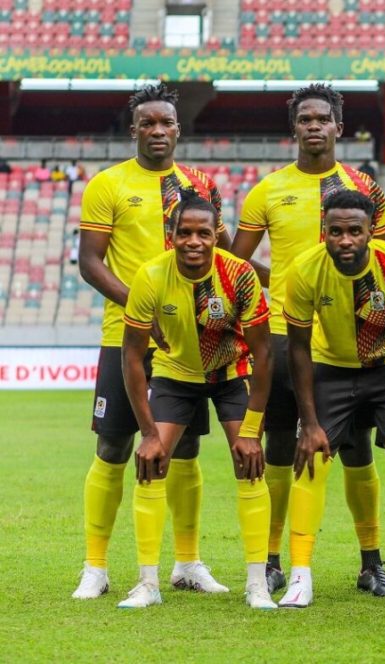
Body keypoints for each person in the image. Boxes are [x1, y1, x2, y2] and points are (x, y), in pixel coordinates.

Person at [231, 83, 385, 595]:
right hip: (282, 335)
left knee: (356, 448)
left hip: (348, 341)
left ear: (339, 127)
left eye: (324, 118)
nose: (315, 126)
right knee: (281, 445)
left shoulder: (366, 188)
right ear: (295, 127)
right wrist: (279, 281)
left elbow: (382, 265)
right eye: (306, 119)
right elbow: (234, 265)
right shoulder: (268, 190)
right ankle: (274, 559)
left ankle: (372, 562)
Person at [74, 83, 229, 600]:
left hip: (191, 340)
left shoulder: (202, 185)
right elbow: (90, 262)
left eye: (166, 123)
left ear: (178, 129)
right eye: (148, 124)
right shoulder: (109, 184)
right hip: (127, 338)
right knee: (114, 445)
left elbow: (223, 254)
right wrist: (140, 309)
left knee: (185, 451)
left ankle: (187, 562)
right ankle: (95, 566)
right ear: (134, 128)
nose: (158, 131)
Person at [118, 192, 274, 609]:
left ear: (214, 236)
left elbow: (265, 353)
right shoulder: (150, 276)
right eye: (184, 232)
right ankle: (147, 584)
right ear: (171, 236)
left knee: (250, 463)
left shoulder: (240, 275)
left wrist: (253, 430)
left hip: (231, 375)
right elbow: (132, 356)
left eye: (203, 233)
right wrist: (149, 433)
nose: (193, 241)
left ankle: (257, 584)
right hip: (175, 374)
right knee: (150, 462)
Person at [280, 190, 385, 609]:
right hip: (332, 370)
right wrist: (309, 423)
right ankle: (300, 576)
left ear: (370, 233)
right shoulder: (305, 270)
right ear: (323, 232)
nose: (344, 240)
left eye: (354, 231)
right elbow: (297, 346)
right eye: (335, 231)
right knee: (310, 458)